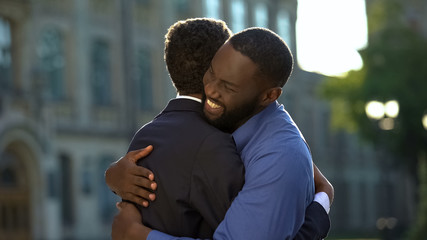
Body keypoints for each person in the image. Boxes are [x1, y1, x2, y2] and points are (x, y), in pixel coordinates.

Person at [107, 20, 333, 240]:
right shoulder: (214, 126)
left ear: (268, 96)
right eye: (212, 73)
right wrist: (111, 176)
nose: (211, 90)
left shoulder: (278, 155)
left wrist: (139, 235)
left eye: (228, 85)